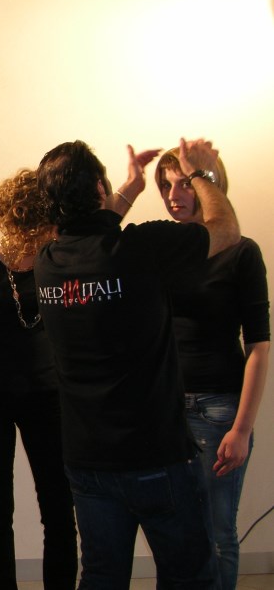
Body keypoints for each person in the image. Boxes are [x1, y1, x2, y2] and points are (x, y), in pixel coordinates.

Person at [34, 138, 239, 587]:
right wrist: (200, 174)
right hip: (156, 457)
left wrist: (131, 185)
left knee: (102, 577)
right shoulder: (142, 248)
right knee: (189, 579)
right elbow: (225, 231)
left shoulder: (48, 264)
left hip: (87, 463)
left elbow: (95, 229)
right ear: (99, 188)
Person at [0, 169, 77, 590]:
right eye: (27, 220)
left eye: (42, 221)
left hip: (51, 397)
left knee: (59, 508)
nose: (35, 231)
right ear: (8, 215)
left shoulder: (59, 261)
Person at [155, 149, 269, 590]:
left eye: (185, 182)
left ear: (209, 183)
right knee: (175, 530)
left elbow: (258, 347)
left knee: (217, 531)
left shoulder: (241, 252)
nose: (174, 194)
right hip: (167, 410)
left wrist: (241, 428)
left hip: (218, 409)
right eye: (166, 185)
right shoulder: (166, 251)